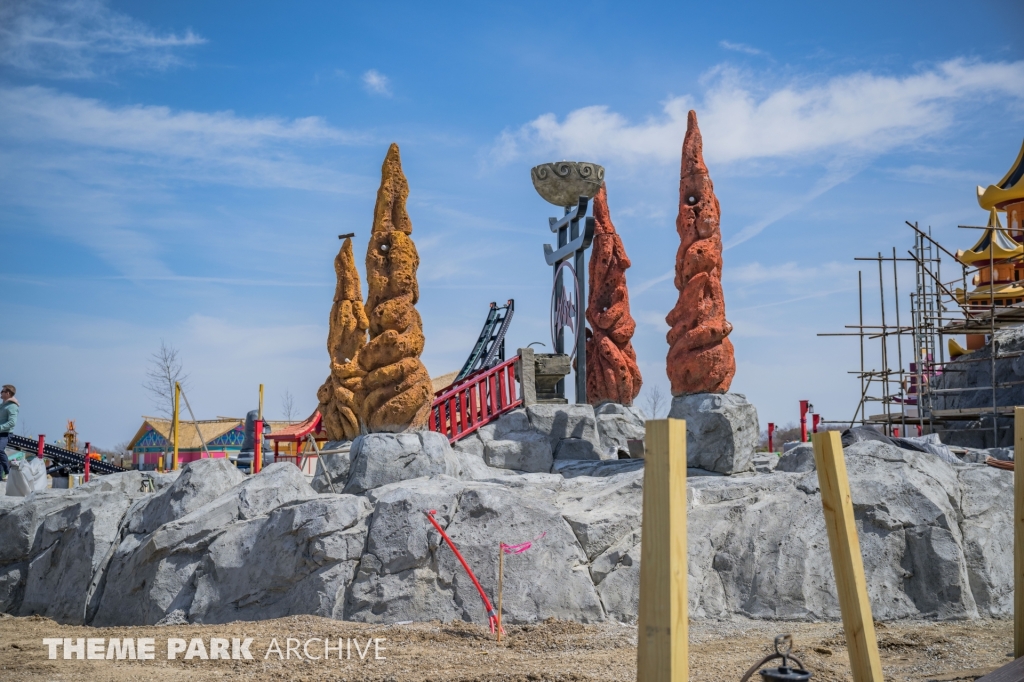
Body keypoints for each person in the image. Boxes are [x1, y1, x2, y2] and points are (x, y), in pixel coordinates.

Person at [0, 384, 18, 482]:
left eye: (2, 391)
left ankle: (8, 471)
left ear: (8, 393)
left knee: (0, 450)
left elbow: (12, 422)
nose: (0, 393)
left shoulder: (12, 406)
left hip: (5, 433)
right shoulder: (2, 405)